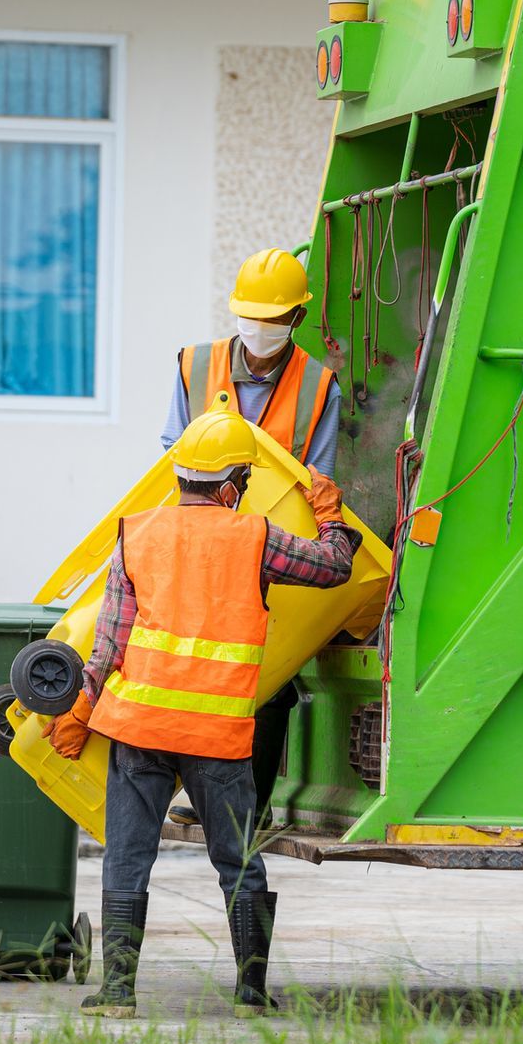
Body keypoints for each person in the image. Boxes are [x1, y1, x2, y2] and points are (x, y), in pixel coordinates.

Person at [45, 408, 357, 1019]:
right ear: (227, 486)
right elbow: (333, 568)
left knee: (128, 857)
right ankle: (249, 993)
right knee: (237, 858)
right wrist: (331, 518)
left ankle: (117, 993)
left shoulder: (136, 533)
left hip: (139, 728)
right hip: (216, 733)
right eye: (241, 480)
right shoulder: (254, 535)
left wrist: (83, 703)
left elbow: (109, 641)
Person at [161, 247, 342, 830]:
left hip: (266, 549)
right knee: (185, 663)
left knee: (266, 679)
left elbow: (316, 480)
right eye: (249, 316)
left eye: (271, 318)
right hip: (195, 539)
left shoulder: (318, 386)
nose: (257, 329)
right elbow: (169, 456)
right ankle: (189, 786)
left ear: (295, 319)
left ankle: (242, 810)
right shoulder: (195, 364)